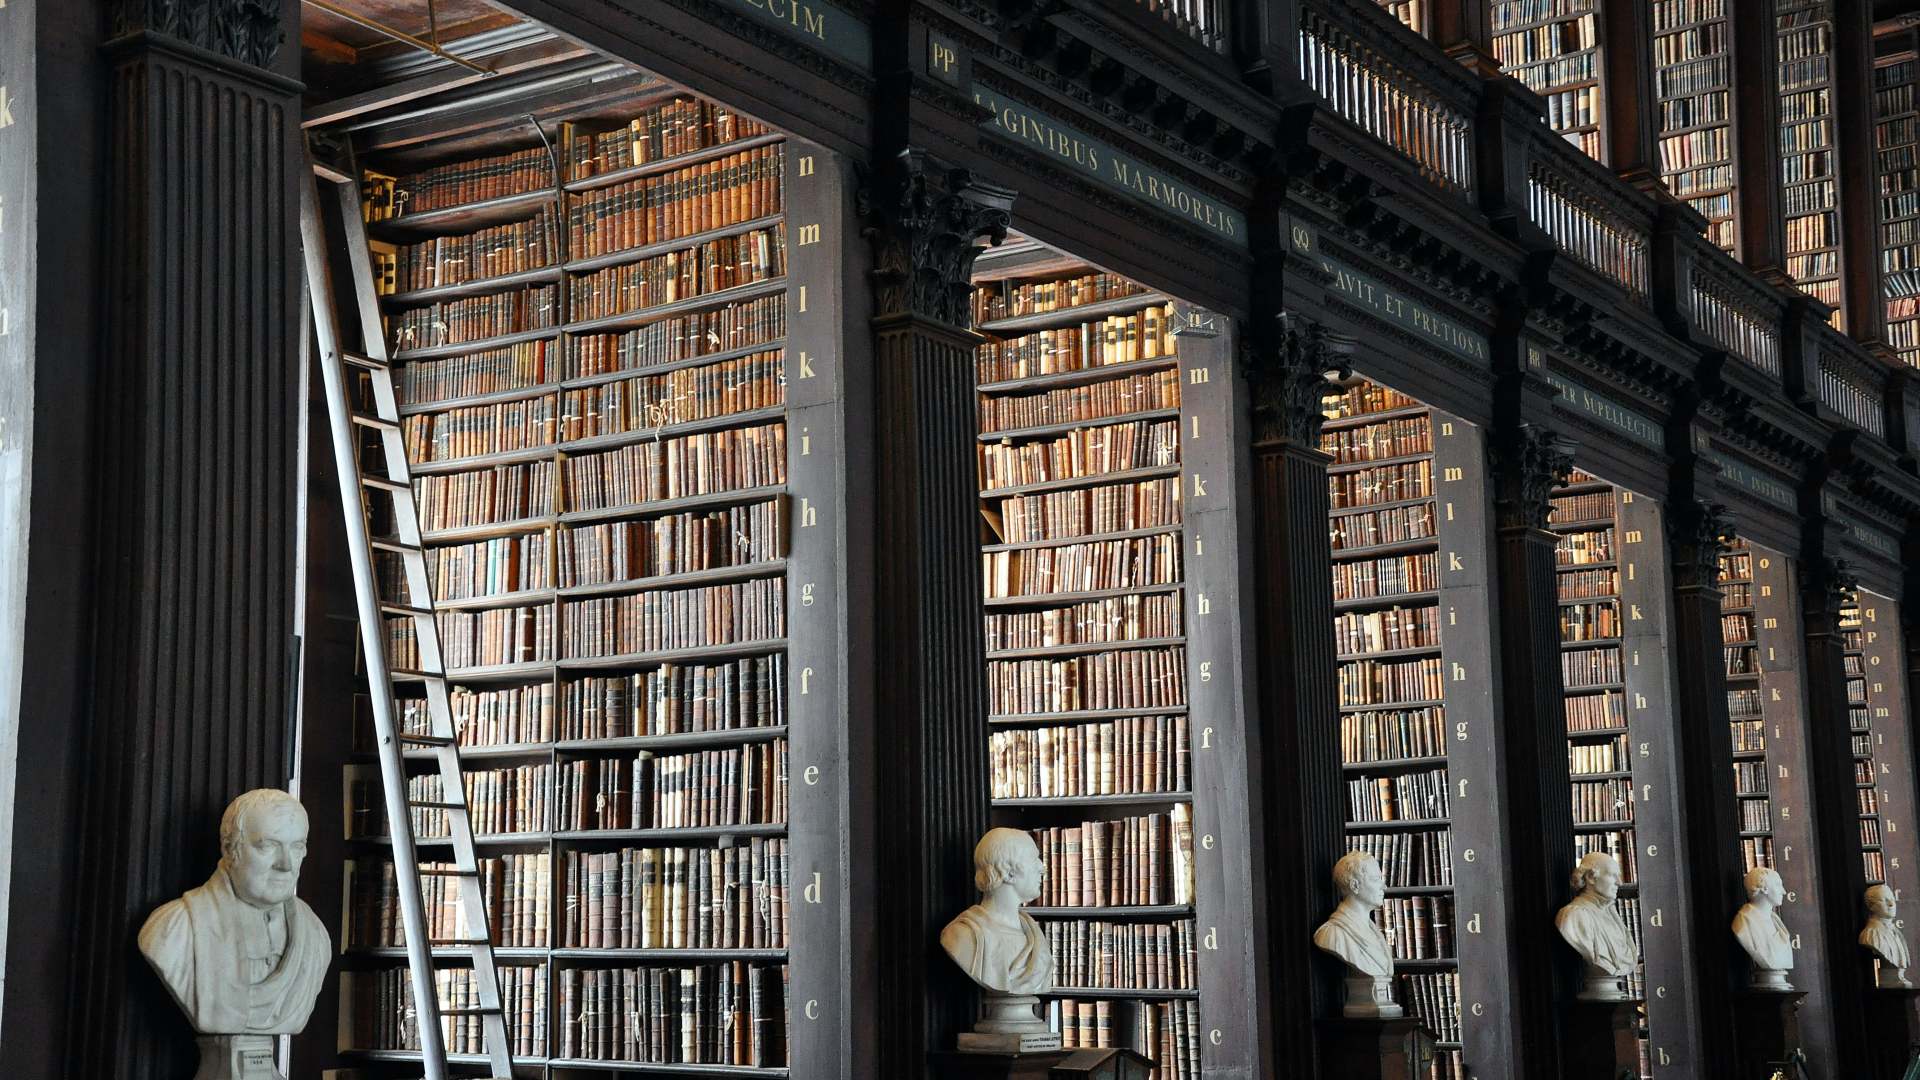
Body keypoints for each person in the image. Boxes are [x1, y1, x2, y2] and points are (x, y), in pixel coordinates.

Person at [139, 789, 331, 1036]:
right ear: (230, 850)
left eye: (297, 847)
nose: (285, 864)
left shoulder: (315, 935)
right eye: (268, 846)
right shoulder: (173, 930)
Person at [940, 827, 1052, 996]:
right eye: (1033, 859)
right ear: (1008, 872)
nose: (1042, 868)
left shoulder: (1035, 935)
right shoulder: (963, 935)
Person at [1555, 851, 1639, 999]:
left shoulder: (1612, 915)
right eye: (1613, 875)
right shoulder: (1574, 916)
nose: (1619, 882)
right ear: (1590, 877)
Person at [1314, 849, 1396, 980]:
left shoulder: (1374, 931)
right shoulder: (1332, 934)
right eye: (1376, 879)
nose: (1384, 886)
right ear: (1354, 885)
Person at [1732, 866, 1795, 989]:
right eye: (1778, 885)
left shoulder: (1775, 920)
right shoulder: (1745, 922)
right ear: (1764, 889)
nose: (1783, 891)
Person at [1860, 883, 1912, 988]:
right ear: (1871, 906)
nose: (1891, 904)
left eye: (1892, 899)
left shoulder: (1896, 932)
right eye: (1884, 900)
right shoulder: (1871, 934)